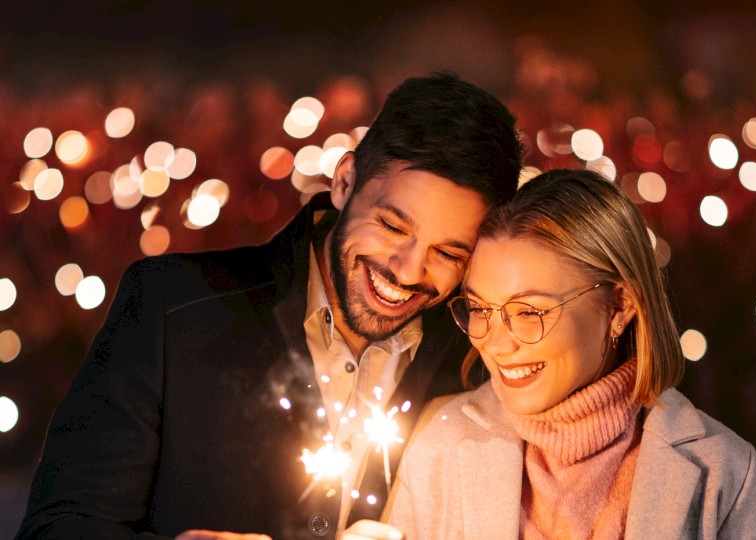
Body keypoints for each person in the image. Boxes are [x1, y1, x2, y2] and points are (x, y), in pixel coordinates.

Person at [15, 74, 524, 540]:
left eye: (449, 252)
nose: (409, 270)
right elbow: (58, 528)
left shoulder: (476, 361)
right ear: (345, 182)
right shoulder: (172, 311)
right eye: (393, 227)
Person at [376, 169, 756, 539]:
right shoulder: (437, 444)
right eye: (480, 309)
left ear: (620, 305)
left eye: (529, 311)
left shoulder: (723, 470)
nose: (495, 343)